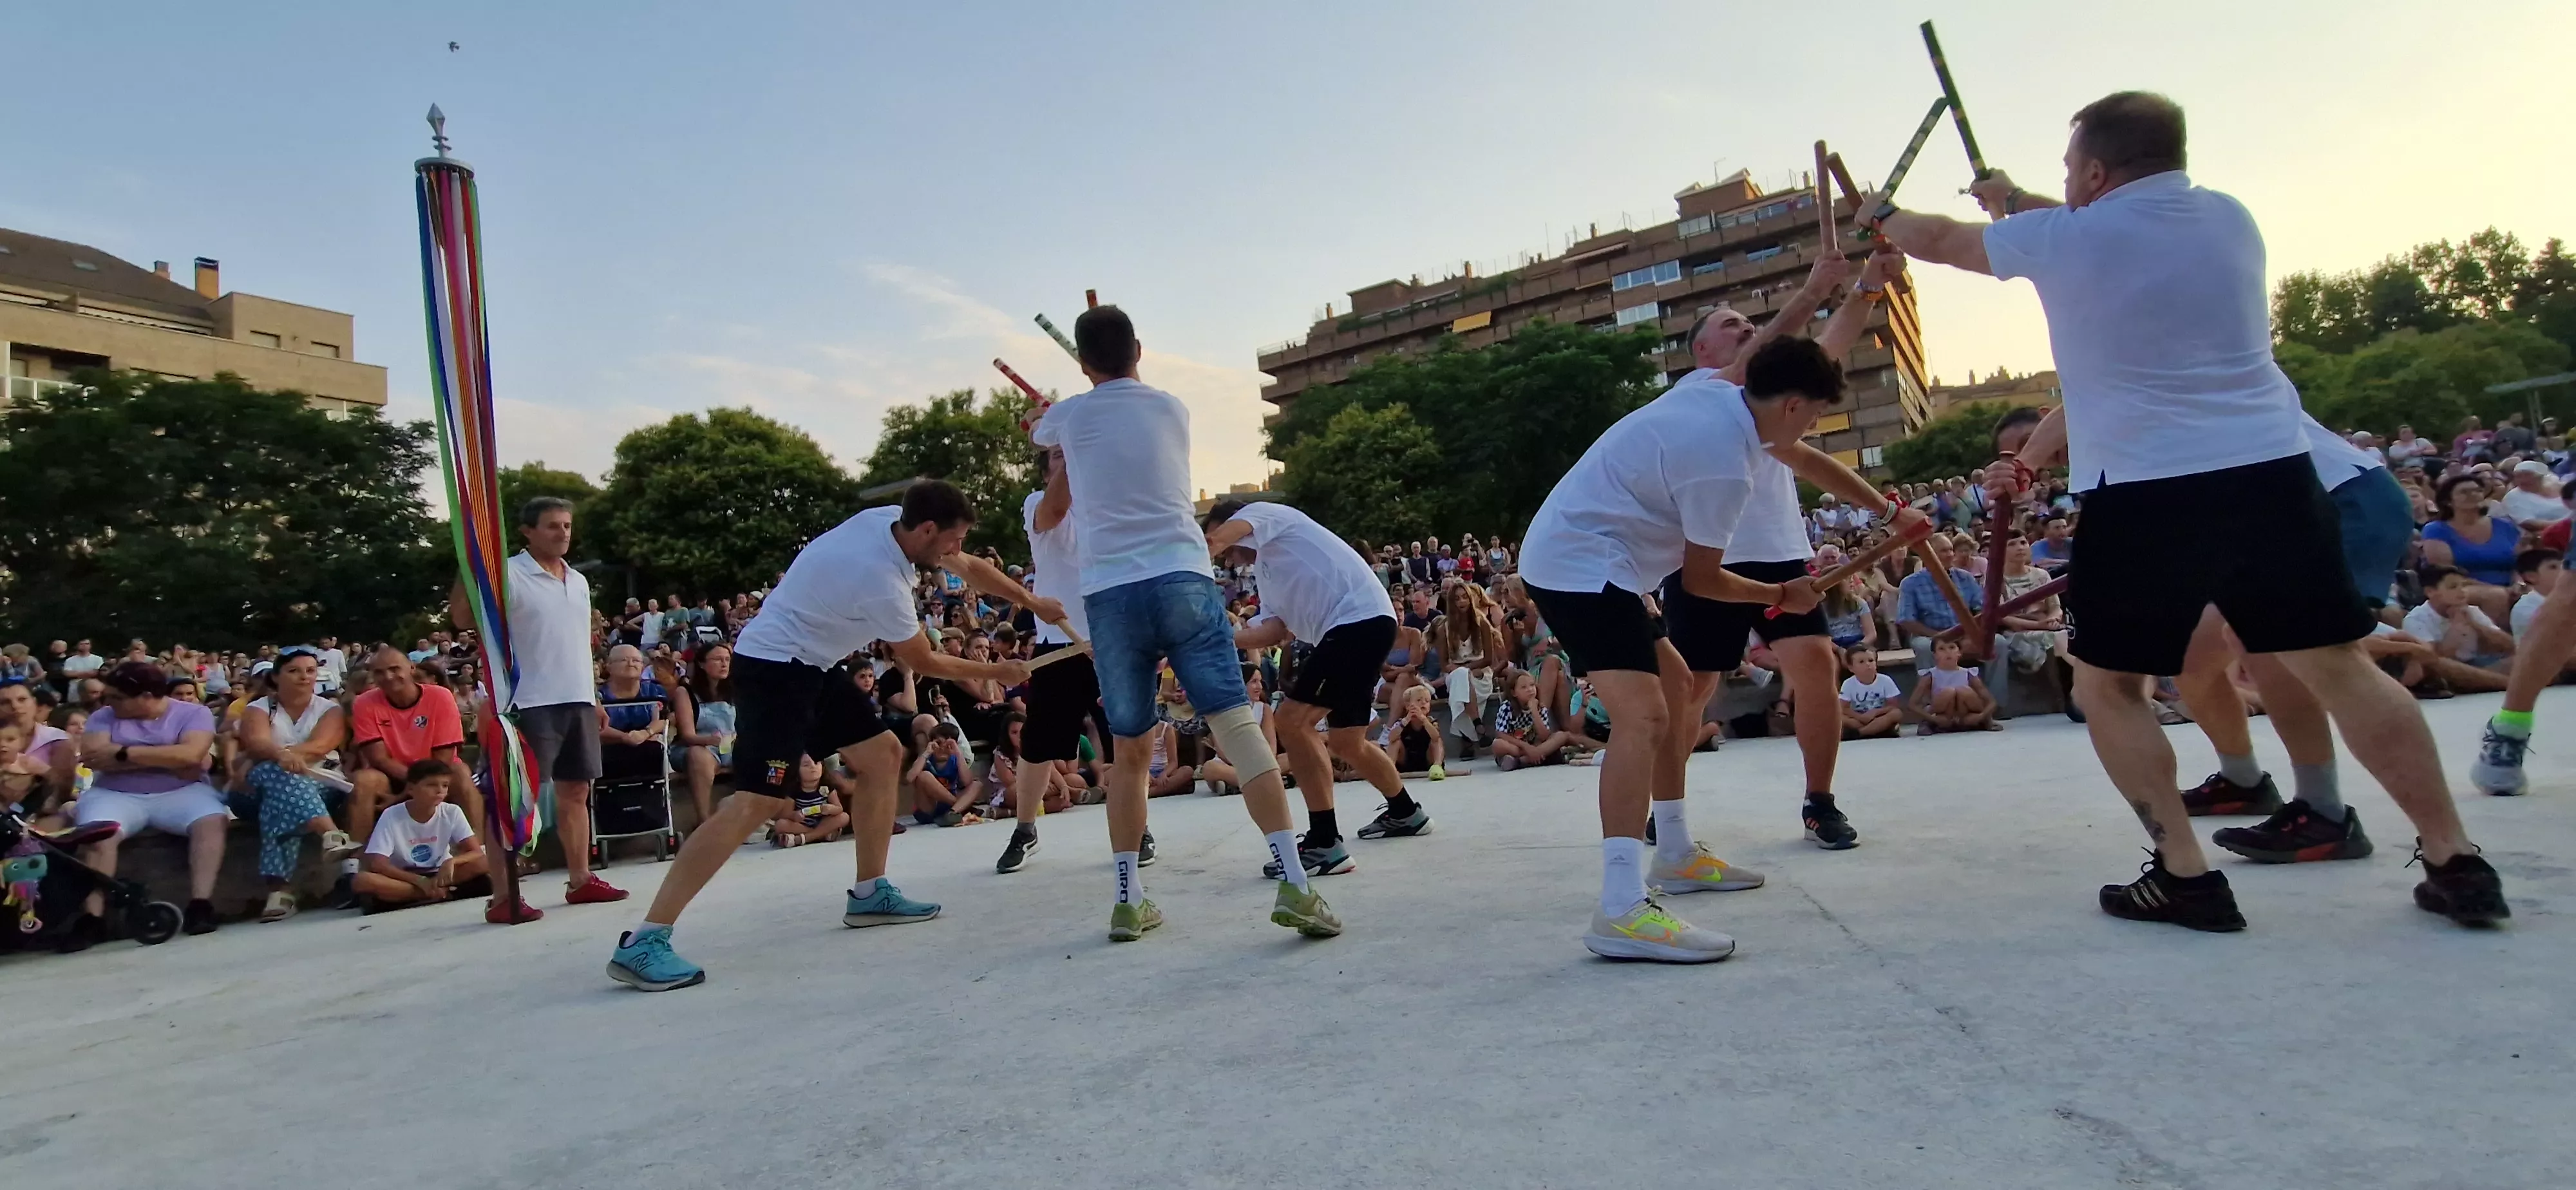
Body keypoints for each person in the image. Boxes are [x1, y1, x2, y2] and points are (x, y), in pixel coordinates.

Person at [1869, 88, 2502, 928]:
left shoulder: (2069, 236)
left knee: (2109, 686)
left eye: (2071, 172)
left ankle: (2183, 872)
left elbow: (1943, 240)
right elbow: (2098, 222)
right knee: (2339, 667)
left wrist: (1886, 215)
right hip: (2272, 475)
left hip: (2145, 491)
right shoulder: (2227, 219)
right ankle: (2455, 857)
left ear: (2093, 170)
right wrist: (2018, 199)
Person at [607, 480, 1052, 991]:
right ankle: (644, 940)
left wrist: (1033, 603)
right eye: (952, 539)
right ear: (927, 529)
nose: (956, 550)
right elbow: (922, 660)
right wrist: (1000, 674)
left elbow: (967, 565)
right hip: (774, 671)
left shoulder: (891, 520)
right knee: (754, 801)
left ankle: (869, 893)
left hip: (811, 665)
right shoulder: (879, 579)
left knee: (883, 753)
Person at [1520, 329, 1867, 963]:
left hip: (1601, 560)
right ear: (1792, 406)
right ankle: (1621, 909)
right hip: (1578, 563)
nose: (1807, 430)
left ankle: (1674, 852)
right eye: (1813, 415)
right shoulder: (1723, 463)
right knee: (1646, 715)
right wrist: (1780, 595)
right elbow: (1703, 580)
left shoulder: (1714, 387)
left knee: (1678, 688)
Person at [1029, 305, 1338, 943]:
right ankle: (1295, 883)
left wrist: (1054, 434)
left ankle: (1127, 898)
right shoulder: (1171, 407)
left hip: (1111, 594)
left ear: (1083, 363)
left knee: (1130, 751)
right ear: (1138, 350)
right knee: (1236, 725)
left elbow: (1046, 443)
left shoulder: (1070, 416)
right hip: (1183, 576)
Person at [1650, 250, 1913, 858]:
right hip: (1703, 559)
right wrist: (1816, 287)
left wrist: (1867, 288)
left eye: (1749, 322)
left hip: (1778, 556)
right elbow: (1770, 350)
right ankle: (1666, 810)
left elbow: (1824, 355)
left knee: (1818, 670)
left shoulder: (1773, 403)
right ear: (1702, 354)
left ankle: (1819, 801)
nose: (1745, 328)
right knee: (1693, 689)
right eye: (1730, 325)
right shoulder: (1701, 393)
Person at [2148, 416, 2414, 866]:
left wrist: (2027, 459)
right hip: (2274, 516)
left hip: (2338, 502)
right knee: (2195, 651)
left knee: (2279, 646)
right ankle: (2242, 781)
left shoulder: (2146, 391)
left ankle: (2324, 811)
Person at [1202, 497, 1436, 879]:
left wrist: (1188, 565)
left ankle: (1325, 843)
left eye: (1222, 541)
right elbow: (1276, 630)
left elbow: (1216, 542)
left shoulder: (1269, 515)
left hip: (1355, 624)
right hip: (1360, 627)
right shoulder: (1266, 568)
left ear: (1235, 522)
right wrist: (1219, 638)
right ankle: (1406, 813)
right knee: (1347, 742)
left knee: (1292, 723)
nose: (1227, 558)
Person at [502, 498, 626, 917]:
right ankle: (504, 894)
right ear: (528, 531)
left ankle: (580, 879)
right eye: (553, 526)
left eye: (568, 526)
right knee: (517, 796)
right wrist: (473, 575)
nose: (563, 534)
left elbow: (577, 643)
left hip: (576, 699)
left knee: (577, 790)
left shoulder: (577, 579)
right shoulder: (509, 573)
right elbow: (465, 617)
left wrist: (593, 697)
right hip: (529, 700)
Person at [66, 661, 226, 945]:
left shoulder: (195, 713)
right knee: (98, 835)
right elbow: (93, 757)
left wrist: (123, 754)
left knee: (212, 821)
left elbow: (191, 758)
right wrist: (169, 757)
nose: (107, 702)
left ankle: (201, 904)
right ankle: (93, 917)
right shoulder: (103, 716)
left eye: (117, 697)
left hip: (183, 792)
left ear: (147, 697)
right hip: (114, 794)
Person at [236, 649, 358, 921]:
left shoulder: (329, 709)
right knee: (280, 776)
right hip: (263, 782)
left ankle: (280, 890)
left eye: (310, 671)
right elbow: (257, 742)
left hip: (322, 782)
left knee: (279, 798)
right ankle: (329, 833)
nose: (304, 677)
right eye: (294, 671)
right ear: (277, 677)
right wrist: (280, 757)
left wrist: (281, 755)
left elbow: (322, 746)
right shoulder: (258, 709)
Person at [355, 759, 490, 912]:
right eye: (431, 785)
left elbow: (476, 852)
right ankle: (439, 893)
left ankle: (412, 896)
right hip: (405, 876)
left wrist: (452, 862)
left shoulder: (452, 811)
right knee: (363, 880)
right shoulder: (392, 815)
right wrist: (419, 880)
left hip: (440, 873)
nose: (440, 790)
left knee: (486, 862)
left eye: (445, 785)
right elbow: (378, 864)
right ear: (411, 789)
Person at [2419, 472, 2521, 625]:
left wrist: (2518, 584)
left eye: (2477, 490)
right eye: (2464, 492)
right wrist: (2495, 588)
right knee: (2496, 596)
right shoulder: (2437, 530)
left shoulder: (2505, 525)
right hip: (2461, 586)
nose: (2473, 495)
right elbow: (2444, 572)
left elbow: (2520, 562)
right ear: (2448, 501)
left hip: (2509, 586)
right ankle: (2501, 646)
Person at [2398, 567, 2515, 690]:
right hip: (2449, 669)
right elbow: (2432, 658)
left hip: (2478, 666)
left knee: (2519, 658)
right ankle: (2505, 683)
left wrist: (2475, 624)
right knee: (2441, 665)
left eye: (2464, 586)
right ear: (2430, 592)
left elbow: (2510, 645)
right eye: (2453, 587)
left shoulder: (2471, 611)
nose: (2462, 591)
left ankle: (2482, 681)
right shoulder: (2416, 619)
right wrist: (2456, 626)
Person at [672, 643, 737, 830]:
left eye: (727, 660)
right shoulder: (685, 692)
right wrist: (710, 740)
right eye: (717, 660)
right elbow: (688, 735)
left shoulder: (735, 690)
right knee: (699, 757)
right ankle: (704, 821)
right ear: (701, 664)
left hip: (730, 745)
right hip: (697, 746)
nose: (724, 664)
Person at [1490, 670, 1578, 771]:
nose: (1530, 690)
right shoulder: (1507, 707)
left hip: (1536, 745)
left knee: (1560, 736)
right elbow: (1501, 734)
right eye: (1524, 687)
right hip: (1516, 747)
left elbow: (1545, 736)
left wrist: (1534, 712)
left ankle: (1521, 761)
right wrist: (1526, 747)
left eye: (1532, 685)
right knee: (1497, 744)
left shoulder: (1541, 707)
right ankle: (1534, 757)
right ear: (1514, 692)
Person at [1908, 638, 1997, 732]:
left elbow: (1991, 702)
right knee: (1948, 692)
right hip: (1944, 717)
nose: (1948, 652)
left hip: (1965, 716)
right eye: (1942, 649)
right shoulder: (1930, 675)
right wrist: (1931, 718)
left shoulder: (1969, 673)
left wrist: (1981, 716)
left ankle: (1985, 721)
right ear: (1935, 655)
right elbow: (1913, 704)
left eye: (1952, 648)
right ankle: (1929, 724)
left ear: (1959, 653)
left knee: (1964, 691)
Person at [767, 755, 849, 847]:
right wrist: (795, 816)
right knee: (780, 825)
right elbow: (787, 813)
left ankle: (803, 839)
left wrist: (830, 809)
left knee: (844, 817)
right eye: (806, 765)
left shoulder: (827, 786)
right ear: (797, 770)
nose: (813, 767)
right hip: (802, 825)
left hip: (822, 822)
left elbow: (839, 808)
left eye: (816, 763)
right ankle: (820, 835)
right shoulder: (794, 790)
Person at [1836, 647, 1904, 740]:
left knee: (1897, 713)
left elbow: (1893, 706)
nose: (1868, 664)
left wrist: (1875, 712)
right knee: (1838, 716)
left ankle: (1860, 733)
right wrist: (1860, 717)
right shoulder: (1848, 683)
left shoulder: (1885, 680)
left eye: (1871, 660)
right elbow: (1843, 708)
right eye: (1861, 662)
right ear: (1851, 668)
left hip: (1878, 717)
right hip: (1857, 718)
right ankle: (1878, 731)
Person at [2501, 460, 2567, 532]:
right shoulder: (2513, 497)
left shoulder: (2560, 486)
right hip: (2551, 533)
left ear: (2540, 476)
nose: (2523, 480)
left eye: (2528, 475)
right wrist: (2567, 524)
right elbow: (2529, 523)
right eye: (2518, 476)